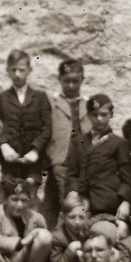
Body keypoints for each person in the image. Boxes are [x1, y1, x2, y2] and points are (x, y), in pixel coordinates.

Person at [0, 49, 53, 195]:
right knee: (11, 198)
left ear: (29, 70)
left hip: (33, 160)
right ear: (7, 71)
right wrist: (4, 147)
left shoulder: (40, 97)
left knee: (31, 197)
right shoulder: (0, 98)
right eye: (13, 70)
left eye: (21, 70)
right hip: (10, 161)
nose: (17, 74)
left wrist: (35, 151)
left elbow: (47, 128)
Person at [78, 93, 131, 237]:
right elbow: (71, 174)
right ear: (88, 116)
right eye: (94, 115)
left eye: (104, 115)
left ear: (111, 114)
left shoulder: (118, 143)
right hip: (85, 205)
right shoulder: (78, 142)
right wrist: (78, 200)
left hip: (110, 205)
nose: (99, 119)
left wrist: (125, 202)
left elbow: (128, 178)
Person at [49, 59, 93, 228]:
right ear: (59, 80)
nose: (71, 85)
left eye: (75, 81)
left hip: (85, 162)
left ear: (82, 80)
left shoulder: (89, 105)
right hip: (62, 161)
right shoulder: (52, 103)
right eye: (66, 81)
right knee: (69, 203)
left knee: (86, 201)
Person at [50, 195, 96, 262]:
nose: (77, 222)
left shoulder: (83, 228)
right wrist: (71, 250)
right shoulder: (57, 238)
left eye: (81, 217)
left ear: (87, 217)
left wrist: (118, 222)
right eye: (72, 217)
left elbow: (102, 216)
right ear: (62, 217)